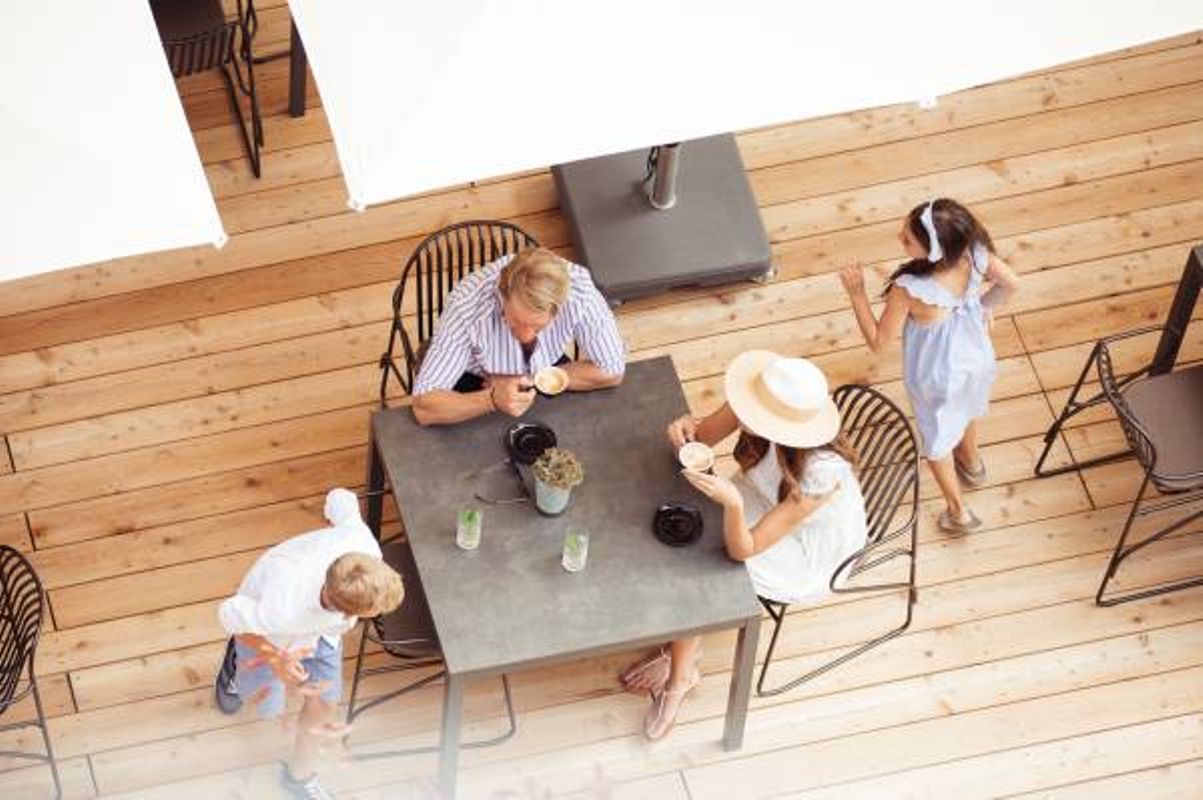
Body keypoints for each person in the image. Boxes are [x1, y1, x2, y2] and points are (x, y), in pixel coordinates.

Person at [620, 351, 867, 740]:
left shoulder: (821, 473)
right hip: (761, 503)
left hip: (804, 548)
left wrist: (732, 504)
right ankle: (683, 647)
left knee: (704, 561)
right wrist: (686, 431)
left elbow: (743, 549)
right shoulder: (757, 399)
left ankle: (680, 677)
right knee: (690, 526)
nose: (747, 415)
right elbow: (700, 439)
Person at [839, 197, 1020, 534]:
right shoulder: (975, 253)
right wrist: (982, 306)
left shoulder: (910, 289)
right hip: (976, 356)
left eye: (907, 238)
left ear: (934, 249)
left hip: (936, 376)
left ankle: (959, 513)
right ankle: (973, 465)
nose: (900, 238)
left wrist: (857, 295)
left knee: (937, 442)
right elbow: (1011, 283)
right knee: (964, 408)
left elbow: (878, 341)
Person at [213, 488, 404, 800]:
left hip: (322, 636)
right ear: (348, 613)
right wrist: (274, 657)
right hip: (267, 633)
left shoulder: (362, 545)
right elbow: (229, 615)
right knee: (267, 705)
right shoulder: (281, 608)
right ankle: (234, 666)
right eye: (376, 612)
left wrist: (329, 526)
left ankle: (299, 778)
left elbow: (340, 497)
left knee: (325, 704)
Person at [410, 246, 626, 425]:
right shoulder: (466, 306)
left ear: (560, 306)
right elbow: (423, 406)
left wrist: (536, 379)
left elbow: (612, 370)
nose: (525, 337)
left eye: (538, 327)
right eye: (515, 322)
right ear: (502, 294)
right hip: (477, 380)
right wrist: (491, 399)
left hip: (546, 370)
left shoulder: (579, 293)